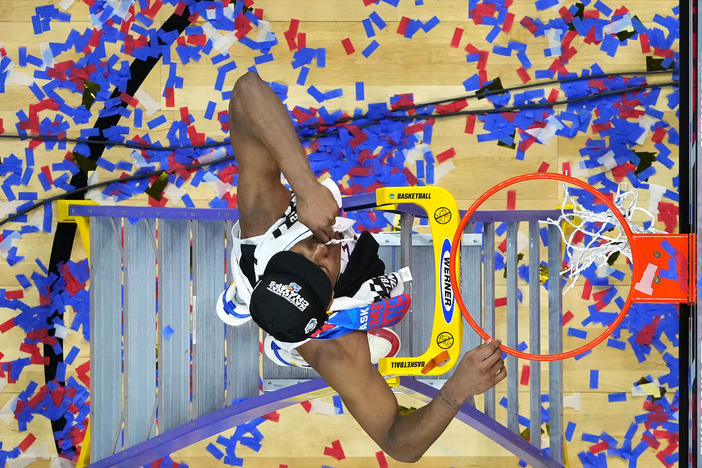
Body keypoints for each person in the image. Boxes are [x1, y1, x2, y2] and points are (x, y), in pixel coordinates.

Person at [218, 70, 506, 463]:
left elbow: (246, 90)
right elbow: (399, 444)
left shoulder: (263, 218)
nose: (321, 249)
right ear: (328, 304)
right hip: (329, 320)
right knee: (356, 338)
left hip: (272, 259)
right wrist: (456, 390)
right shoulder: (333, 348)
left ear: (278, 265)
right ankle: (286, 346)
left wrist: (304, 187)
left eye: (299, 256)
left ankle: (249, 301)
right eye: (321, 270)